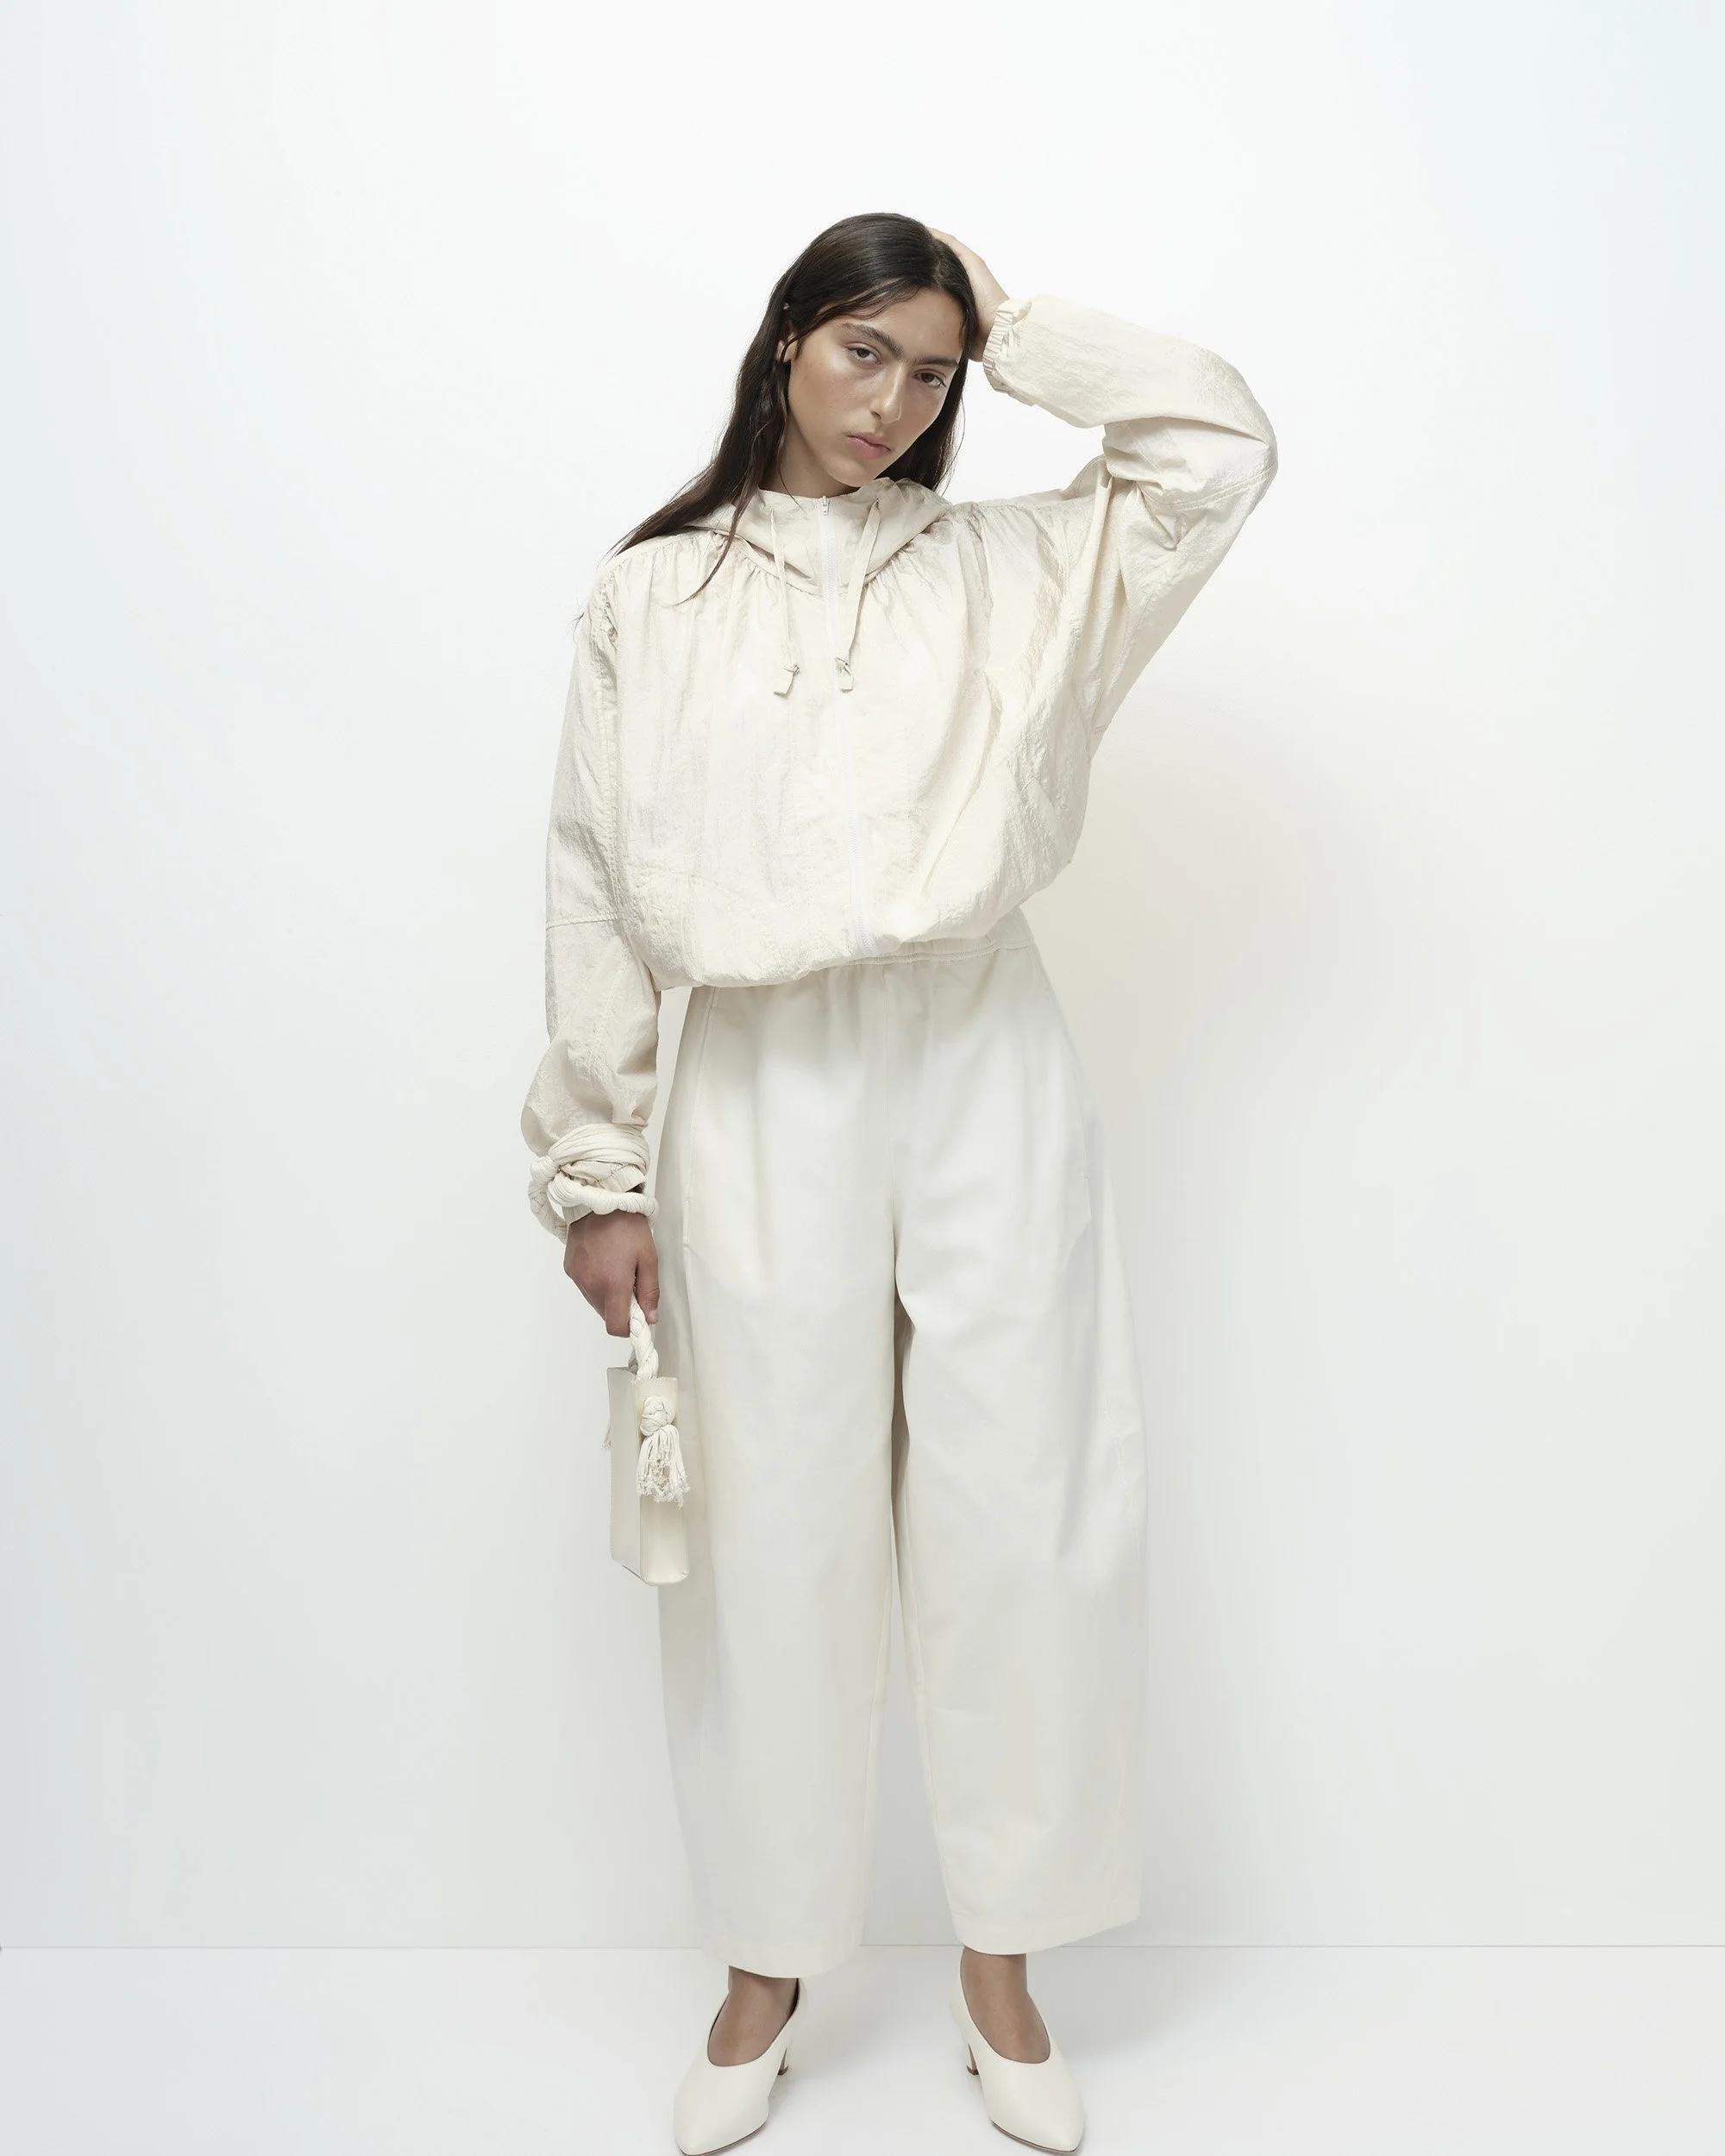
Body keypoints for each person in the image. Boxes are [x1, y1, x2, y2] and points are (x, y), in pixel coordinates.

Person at [520, 212, 1276, 2153]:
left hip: (976, 1046)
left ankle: (1002, 1962)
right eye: (867, 351)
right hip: (757, 1073)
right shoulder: (655, 597)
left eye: (931, 369)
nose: (896, 400)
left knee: (1027, 1505)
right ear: (788, 340)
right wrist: (599, 1168)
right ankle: (765, 1966)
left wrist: (1017, 326)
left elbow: (1214, 447)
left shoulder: (1020, 569)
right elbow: (594, 878)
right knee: (768, 1531)